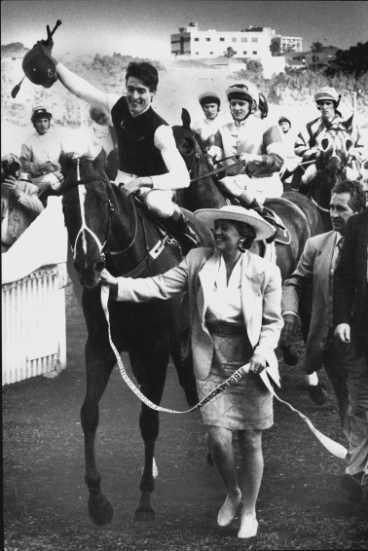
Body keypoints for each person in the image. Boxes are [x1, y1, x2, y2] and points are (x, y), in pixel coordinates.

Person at [100, 204, 283, 539]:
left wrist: (263, 351)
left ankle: (250, 511)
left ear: (243, 236)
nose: (217, 233)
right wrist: (116, 285)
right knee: (217, 437)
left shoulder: (264, 271)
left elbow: (273, 322)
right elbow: (160, 285)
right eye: (217, 228)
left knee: (251, 440)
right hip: (211, 359)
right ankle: (232, 492)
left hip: (251, 362)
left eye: (225, 229)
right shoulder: (198, 259)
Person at [49, 54, 198, 251]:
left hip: (155, 187)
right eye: (131, 89)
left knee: (155, 204)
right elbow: (81, 89)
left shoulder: (160, 130)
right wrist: (53, 62)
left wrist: (142, 182)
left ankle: (185, 231)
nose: (134, 96)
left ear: (152, 93)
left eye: (141, 91)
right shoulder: (116, 104)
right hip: (122, 181)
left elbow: (182, 178)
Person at [281, 181, 366, 419]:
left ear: (359, 212)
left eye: (342, 209)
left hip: (363, 344)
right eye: (331, 207)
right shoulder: (316, 245)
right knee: (345, 405)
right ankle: (356, 451)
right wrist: (289, 311)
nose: (334, 214)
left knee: (361, 407)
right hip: (330, 345)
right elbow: (293, 282)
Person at [334, 208, 368, 503]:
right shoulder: (358, 224)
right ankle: (356, 469)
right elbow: (343, 278)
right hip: (362, 329)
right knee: (360, 403)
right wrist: (342, 318)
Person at [207, 81, 285, 209]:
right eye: (233, 104)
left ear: (252, 106)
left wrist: (255, 159)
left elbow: (278, 161)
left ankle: (263, 214)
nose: (236, 108)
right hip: (231, 184)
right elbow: (216, 151)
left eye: (241, 104)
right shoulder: (222, 129)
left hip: (262, 185)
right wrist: (211, 156)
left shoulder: (268, 127)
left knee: (229, 183)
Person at [294, 86, 364, 186]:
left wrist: (350, 154)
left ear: (334, 105)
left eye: (328, 103)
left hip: (344, 165)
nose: (324, 107)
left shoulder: (348, 125)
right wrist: (315, 153)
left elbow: (362, 147)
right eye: (321, 104)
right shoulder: (311, 126)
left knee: (356, 184)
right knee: (304, 180)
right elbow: (298, 146)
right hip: (319, 164)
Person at [1, 154, 44, 251]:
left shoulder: (28, 187)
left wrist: (18, 193)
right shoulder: (2, 189)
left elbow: (40, 209)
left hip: (19, 247)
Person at [20, 106, 66, 195]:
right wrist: (42, 167)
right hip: (39, 179)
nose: (43, 124)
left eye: (45, 121)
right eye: (39, 121)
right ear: (34, 124)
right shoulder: (28, 142)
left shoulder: (56, 139)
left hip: (59, 176)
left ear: (49, 122)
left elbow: (63, 157)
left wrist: (69, 158)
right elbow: (23, 164)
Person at [278, 116, 300, 185]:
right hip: (281, 159)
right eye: (281, 124)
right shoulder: (278, 136)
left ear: (289, 126)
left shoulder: (294, 135)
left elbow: (301, 146)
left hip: (292, 159)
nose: (283, 126)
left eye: (285, 124)